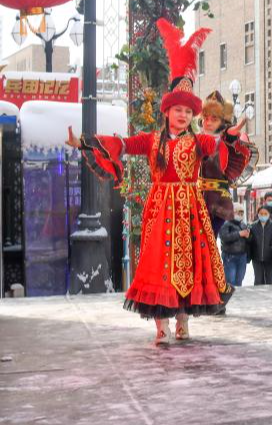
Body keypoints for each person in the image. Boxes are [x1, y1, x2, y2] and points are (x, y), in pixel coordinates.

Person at [68, 18, 249, 344]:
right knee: (159, 266)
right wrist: (88, 142)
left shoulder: (199, 142)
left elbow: (221, 148)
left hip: (190, 213)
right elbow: (121, 144)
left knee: (189, 267)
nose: (182, 115)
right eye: (177, 110)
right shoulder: (152, 141)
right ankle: (160, 325)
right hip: (162, 212)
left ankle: (182, 321)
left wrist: (230, 137)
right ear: (167, 112)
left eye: (186, 111)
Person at [200, 91, 257, 251]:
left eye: (214, 118)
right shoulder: (195, 139)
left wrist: (236, 128)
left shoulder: (224, 139)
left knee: (208, 240)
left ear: (222, 122)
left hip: (218, 199)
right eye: (206, 118)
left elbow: (231, 135)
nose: (209, 122)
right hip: (197, 197)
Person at [219, 203, 250, 289]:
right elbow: (224, 237)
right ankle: (229, 297)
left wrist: (248, 236)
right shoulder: (226, 223)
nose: (239, 215)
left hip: (242, 256)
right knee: (230, 280)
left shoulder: (243, 225)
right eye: (237, 213)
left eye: (241, 213)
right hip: (230, 256)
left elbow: (249, 240)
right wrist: (239, 234)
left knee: (239, 280)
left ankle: (237, 297)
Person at [249, 206, 272, 286]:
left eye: (265, 213)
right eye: (261, 213)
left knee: (268, 278)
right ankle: (258, 296)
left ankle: (268, 296)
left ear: (269, 214)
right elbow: (249, 242)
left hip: (270, 257)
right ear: (258, 214)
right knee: (258, 279)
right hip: (256, 256)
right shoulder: (253, 226)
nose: (263, 215)